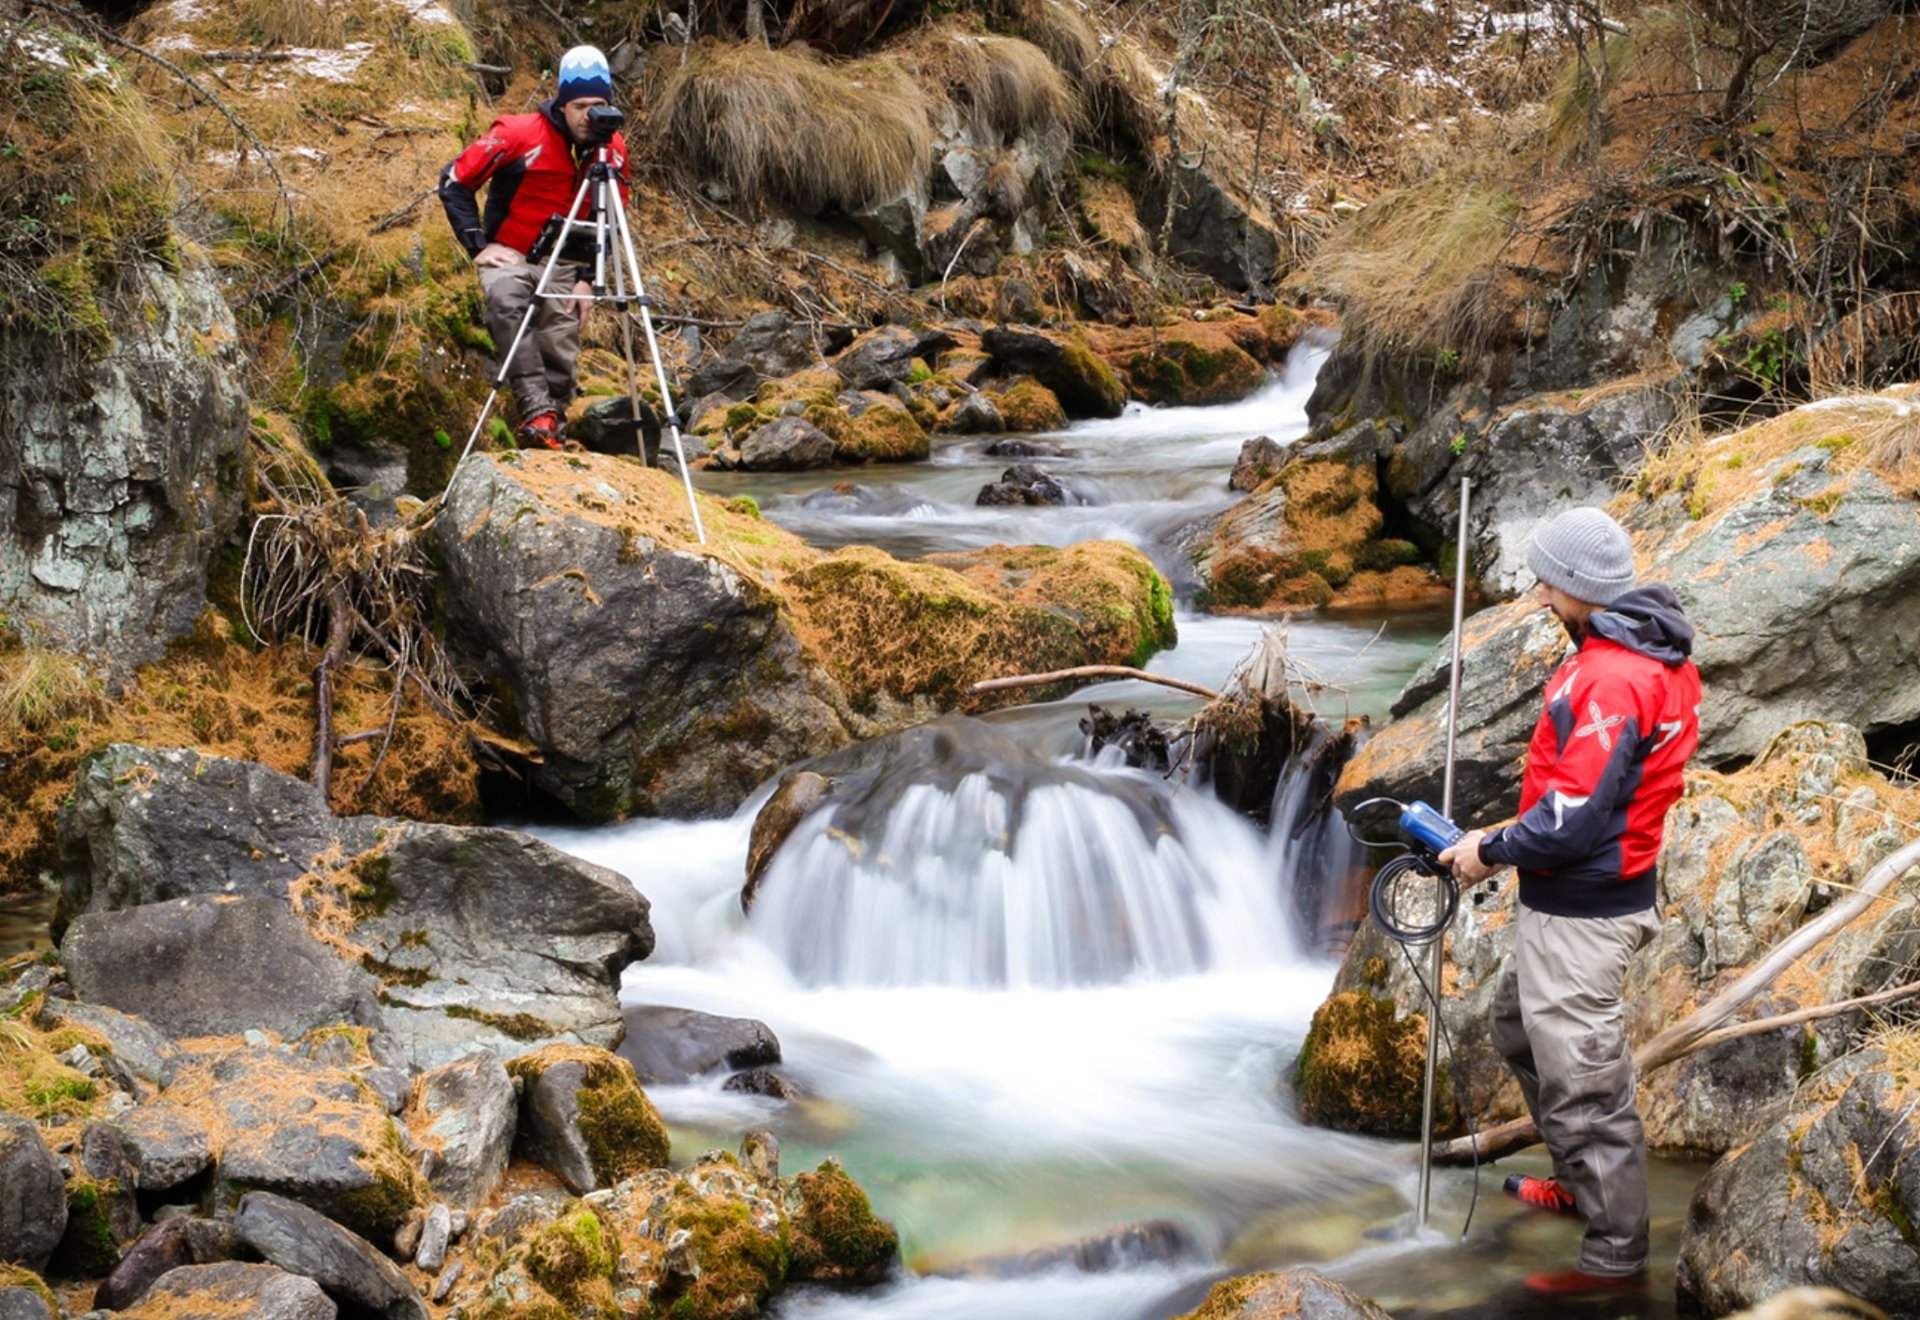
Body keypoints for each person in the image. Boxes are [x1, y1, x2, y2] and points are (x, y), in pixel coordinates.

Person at [1437, 506, 1701, 1297]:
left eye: (1550, 580)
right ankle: (1578, 1183)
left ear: (1582, 586)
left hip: (1586, 909)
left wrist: (1488, 850)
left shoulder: (1614, 677)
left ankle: (1615, 1259)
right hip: (1584, 893)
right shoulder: (1636, 649)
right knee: (1517, 1027)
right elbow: (1588, 797)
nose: (1542, 595)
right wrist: (1508, 832)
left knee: (1584, 1078)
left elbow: (1572, 819)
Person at [438, 46, 630, 449]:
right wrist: (477, 244)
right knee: (507, 300)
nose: (589, 116)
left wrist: (586, 281)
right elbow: (455, 179)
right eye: (580, 106)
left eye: (599, 106)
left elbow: (610, 221)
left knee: (560, 340)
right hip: (511, 254)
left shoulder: (612, 151)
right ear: (561, 104)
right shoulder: (519, 133)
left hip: (566, 262)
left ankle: (550, 433)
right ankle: (536, 412)